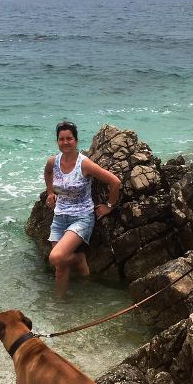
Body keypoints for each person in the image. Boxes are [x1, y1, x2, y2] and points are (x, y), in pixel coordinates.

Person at [44, 121, 121, 296]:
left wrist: (109, 206)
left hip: (81, 218)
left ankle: (79, 258)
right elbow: (47, 172)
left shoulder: (84, 164)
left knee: (55, 257)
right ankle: (59, 305)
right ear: (57, 141)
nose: (65, 142)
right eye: (61, 139)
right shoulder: (53, 162)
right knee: (60, 268)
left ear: (76, 140)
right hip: (59, 217)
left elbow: (115, 182)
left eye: (69, 138)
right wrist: (50, 192)